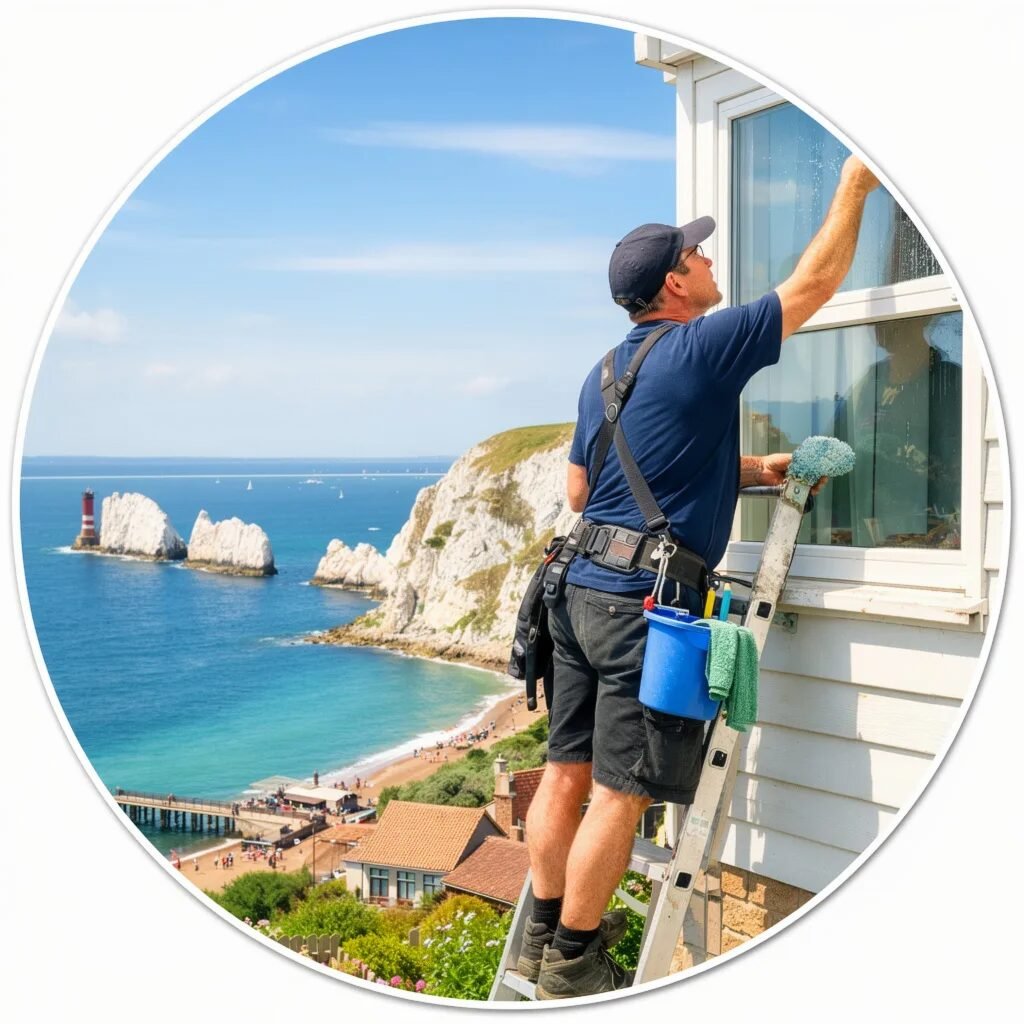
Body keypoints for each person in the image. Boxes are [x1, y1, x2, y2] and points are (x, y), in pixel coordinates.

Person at [523, 155, 881, 999]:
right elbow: (816, 284)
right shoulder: (704, 343)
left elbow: (585, 490)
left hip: (574, 589)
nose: (715, 263)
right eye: (701, 255)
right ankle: (575, 967)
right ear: (676, 284)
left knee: (564, 773)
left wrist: (751, 470)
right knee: (619, 795)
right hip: (639, 609)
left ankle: (541, 942)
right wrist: (857, 184)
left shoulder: (605, 370)